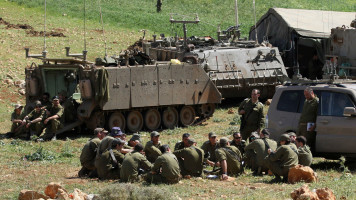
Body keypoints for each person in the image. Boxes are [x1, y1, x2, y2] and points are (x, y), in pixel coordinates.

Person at [298, 87, 319, 151]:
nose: (306, 96)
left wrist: (314, 125)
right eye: (305, 95)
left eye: (307, 95)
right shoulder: (306, 101)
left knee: (306, 144)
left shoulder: (316, 102)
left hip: (308, 127)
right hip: (301, 126)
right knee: (298, 142)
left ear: (312, 93)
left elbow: (317, 116)